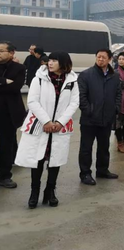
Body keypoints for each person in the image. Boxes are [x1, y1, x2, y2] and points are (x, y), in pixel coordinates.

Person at [15, 52, 79, 208]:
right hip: (41, 126)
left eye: (54, 60)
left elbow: (74, 103)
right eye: (49, 60)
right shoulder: (39, 79)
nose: (50, 63)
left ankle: (50, 191)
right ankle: (34, 192)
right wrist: (47, 121)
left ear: (63, 63)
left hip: (59, 128)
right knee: (38, 160)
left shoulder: (72, 81)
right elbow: (32, 101)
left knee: (55, 161)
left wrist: (59, 122)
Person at [78, 49, 121, 185]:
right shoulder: (86, 75)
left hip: (106, 118)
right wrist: (88, 110)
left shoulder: (114, 76)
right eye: (98, 57)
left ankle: (102, 170)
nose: (100, 59)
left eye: (103, 57)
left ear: (109, 59)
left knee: (104, 146)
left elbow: (118, 94)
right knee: (86, 148)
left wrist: (115, 109)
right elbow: (81, 96)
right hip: (89, 119)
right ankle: (85, 173)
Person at [0, 41, 26, 189]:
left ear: (11, 53)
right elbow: (9, 86)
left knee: (6, 145)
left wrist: (5, 85)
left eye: (2, 51)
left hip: (9, 114)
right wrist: (4, 81)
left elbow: (16, 87)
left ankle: (5, 176)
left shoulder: (19, 68)